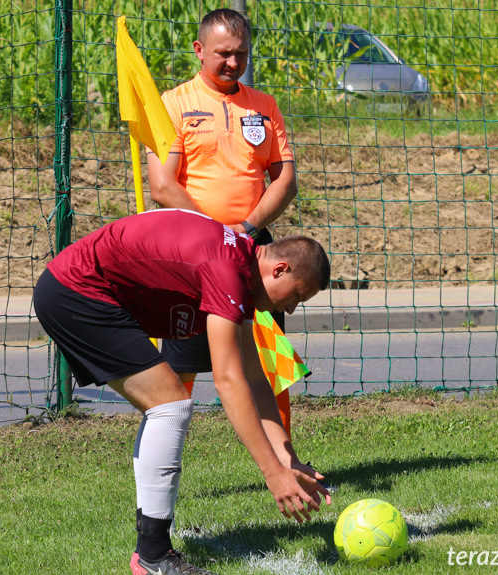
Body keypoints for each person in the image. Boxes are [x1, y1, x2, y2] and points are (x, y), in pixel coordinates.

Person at [33, 209, 331, 575]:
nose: (291, 308)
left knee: (168, 404)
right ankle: (153, 555)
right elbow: (229, 381)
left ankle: (152, 551)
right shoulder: (228, 271)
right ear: (280, 269)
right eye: (297, 296)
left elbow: (254, 377)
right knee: (170, 405)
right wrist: (271, 473)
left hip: (76, 289)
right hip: (76, 292)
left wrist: (287, 459)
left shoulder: (240, 263)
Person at [147, 8, 299, 435]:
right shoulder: (173, 104)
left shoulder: (265, 107)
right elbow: (162, 186)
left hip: (253, 250)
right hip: (191, 253)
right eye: (224, 53)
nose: (234, 63)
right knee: (179, 371)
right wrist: (214, 232)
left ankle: (287, 462)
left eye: (242, 54)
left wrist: (247, 228)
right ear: (199, 50)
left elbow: (284, 180)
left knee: (272, 364)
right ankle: (165, 468)